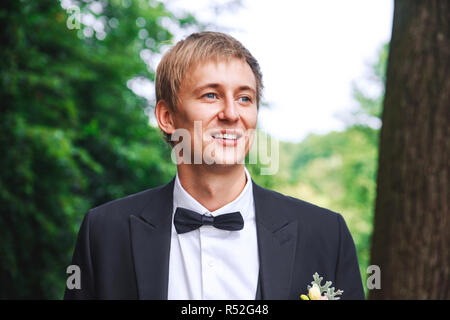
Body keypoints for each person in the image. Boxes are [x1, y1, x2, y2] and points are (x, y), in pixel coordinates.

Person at [64, 31, 365, 300]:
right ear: (167, 117)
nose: (231, 113)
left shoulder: (326, 234)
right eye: (211, 95)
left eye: (245, 98)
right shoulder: (103, 233)